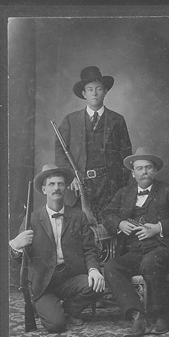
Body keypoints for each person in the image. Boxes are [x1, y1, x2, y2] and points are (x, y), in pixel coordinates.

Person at [103, 147, 169, 337]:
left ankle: (161, 316)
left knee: (151, 261)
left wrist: (158, 227)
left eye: (148, 167)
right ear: (133, 173)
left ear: (155, 171)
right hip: (135, 250)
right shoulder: (124, 193)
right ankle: (137, 315)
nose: (144, 172)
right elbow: (107, 215)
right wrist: (119, 223)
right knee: (111, 266)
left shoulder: (168, 191)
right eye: (139, 168)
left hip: (164, 248)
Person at [9, 164, 105, 333]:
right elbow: (21, 260)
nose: (57, 188)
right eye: (52, 184)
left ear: (66, 187)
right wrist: (16, 246)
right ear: (44, 189)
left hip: (71, 278)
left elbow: (89, 249)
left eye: (60, 184)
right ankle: (44, 306)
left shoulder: (78, 216)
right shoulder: (31, 219)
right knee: (56, 326)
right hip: (44, 283)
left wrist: (94, 269)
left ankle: (69, 309)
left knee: (98, 283)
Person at [55, 66, 132, 222]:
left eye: (98, 89)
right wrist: (70, 177)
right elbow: (59, 151)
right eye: (90, 89)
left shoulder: (117, 120)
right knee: (81, 227)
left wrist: (121, 186)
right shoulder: (70, 120)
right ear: (84, 94)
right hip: (80, 185)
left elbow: (126, 155)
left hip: (109, 186)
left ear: (105, 91)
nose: (94, 93)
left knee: (109, 228)